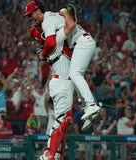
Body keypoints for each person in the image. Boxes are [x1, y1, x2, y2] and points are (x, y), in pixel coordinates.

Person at [23, 0, 100, 127]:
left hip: (82, 42)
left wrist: (42, 54)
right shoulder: (52, 18)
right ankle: (89, 108)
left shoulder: (47, 20)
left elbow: (51, 43)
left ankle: (91, 105)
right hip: (82, 42)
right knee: (75, 78)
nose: (30, 18)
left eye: (31, 15)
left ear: (38, 11)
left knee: (74, 73)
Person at [25, 6, 75, 160]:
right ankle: (49, 154)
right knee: (64, 120)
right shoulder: (56, 39)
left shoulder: (49, 40)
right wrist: (65, 13)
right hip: (61, 81)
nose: (32, 20)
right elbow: (68, 27)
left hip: (61, 80)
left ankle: (57, 153)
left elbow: (48, 42)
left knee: (65, 121)